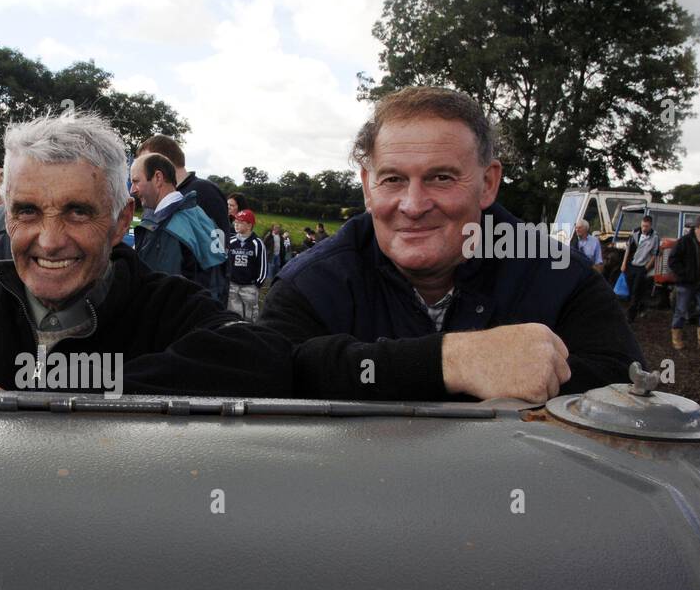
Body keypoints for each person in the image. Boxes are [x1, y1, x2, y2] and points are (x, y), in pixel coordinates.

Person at [260, 86, 642, 402]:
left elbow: (627, 390)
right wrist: (451, 362)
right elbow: (270, 376)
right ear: (367, 187)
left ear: (488, 183)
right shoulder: (309, 286)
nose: (413, 205)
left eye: (441, 178)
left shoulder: (560, 278)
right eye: (392, 179)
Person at [0, 112, 268, 392]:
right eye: (27, 211)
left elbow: (263, 358)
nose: (49, 241)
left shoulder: (171, 311)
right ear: (7, 215)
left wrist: (61, 398)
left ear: (121, 221)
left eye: (77, 212)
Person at [130, 153, 226, 302]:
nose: (132, 190)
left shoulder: (168, 228)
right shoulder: (198, 216)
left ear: (158, 178)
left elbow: (159, 297)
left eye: (136, 181)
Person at [135, 135, 232, 255]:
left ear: (163, 161)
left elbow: (217, 252)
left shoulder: (204, 192)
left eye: (145, 163)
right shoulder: (157, 198)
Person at [667, 212, 700, 351]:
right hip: (686, 283)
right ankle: (677, 339)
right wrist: (684, 275)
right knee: (681, 310)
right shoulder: (685, 241)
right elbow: (672, 260)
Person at [226, 209, 268, 321]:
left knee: (250, 316)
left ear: (249, 225)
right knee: (233, 314)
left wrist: (257, 284)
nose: (236, 225)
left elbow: (263, 266)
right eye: (235, 222)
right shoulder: (231, 241)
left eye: (240, 222)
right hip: (233, 285)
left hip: (249, 286)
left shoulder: (257, 244)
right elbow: (226, 261)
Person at [623, 214, 661, 324]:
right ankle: (641, 306)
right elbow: (628, 248)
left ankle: (630, 316)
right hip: (631, 264)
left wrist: (646, 268)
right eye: (643, 226)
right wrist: (624, 263)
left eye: (647, 226)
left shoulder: (655, 237)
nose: (644, 228)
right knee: (630, 290)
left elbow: (655, 254)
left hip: (642, 267)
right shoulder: (634, 233)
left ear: (650, 226)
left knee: (635, 290)